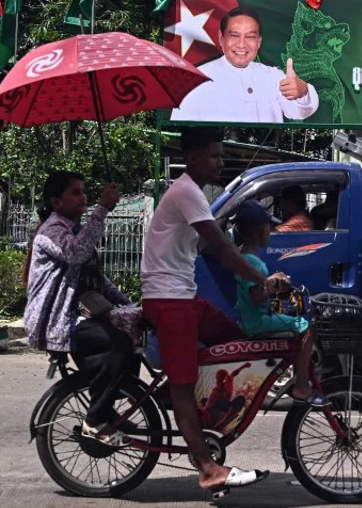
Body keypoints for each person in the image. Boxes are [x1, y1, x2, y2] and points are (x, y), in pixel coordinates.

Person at [140, 127, 287, 494]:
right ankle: (206, 467)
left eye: (222, 155)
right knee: (183, 384)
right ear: (192, 157)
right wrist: (261, 280)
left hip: (182, 296)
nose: (221, 162)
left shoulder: (196, 194)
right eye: (215, 155)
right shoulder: (187, 192)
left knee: (238, 339)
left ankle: (201, 415)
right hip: (168, 299)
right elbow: (222, 248)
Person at [23, 171, 140, 446]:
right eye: (75, 193)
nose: (83, 197)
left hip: (82, 315)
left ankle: (110, 403)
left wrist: (129, 304)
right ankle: (96, 420)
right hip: (59, 320)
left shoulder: (74, 229)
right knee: (118, 343)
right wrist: (102, 209)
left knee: (136, 331)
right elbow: (76, 253)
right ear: (56, 202)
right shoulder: (52, 230)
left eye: (84, 191)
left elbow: (98, 280)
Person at [231, 200, 328, 407]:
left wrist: (273, 282)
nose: (271, 232)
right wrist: (275, 285)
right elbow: (256, 296)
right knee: (307, 327)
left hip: (251, 318)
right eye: (269, 228)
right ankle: (302, 385)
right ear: (260, 232)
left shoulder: (242, 256)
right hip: (257, 321)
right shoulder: (253, 262)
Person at [170, 7, 319, 124]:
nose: (241, 44)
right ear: (221, 38)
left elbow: (299, 113)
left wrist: (303, 91)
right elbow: (181, 130)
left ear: (259, 42)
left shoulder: (273, 77)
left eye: (250, 37)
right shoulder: (196, 79)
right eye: (234, 36)